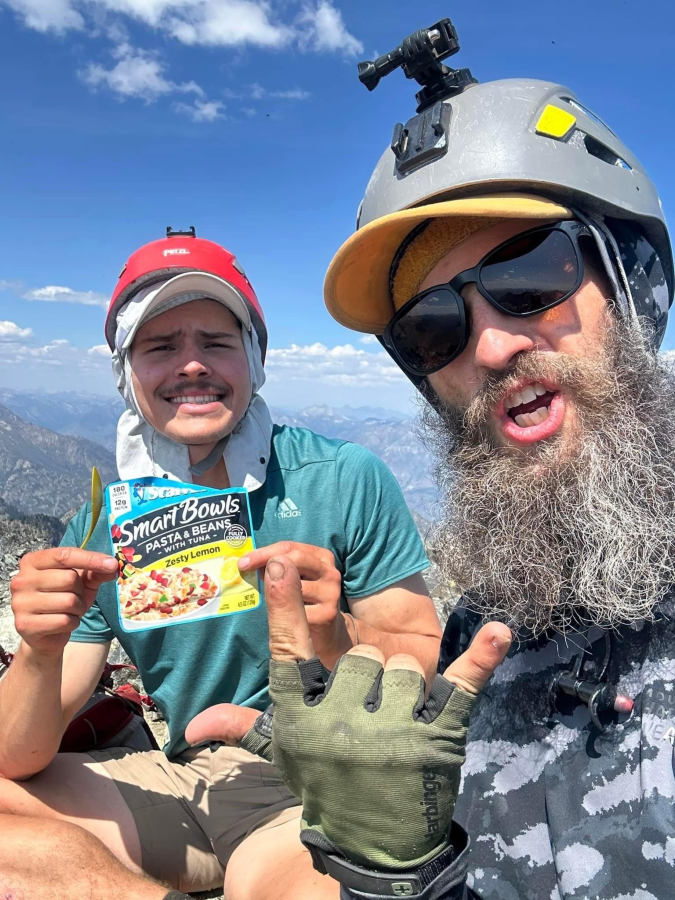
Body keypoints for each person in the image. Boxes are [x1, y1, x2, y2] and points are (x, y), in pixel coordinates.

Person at [190, 23, 675, 900]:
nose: (487, 347)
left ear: (633, 284)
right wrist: (383, 856)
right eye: (432, 327)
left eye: (530, 275)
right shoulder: (497, 610)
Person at [0, 230, 443, 900]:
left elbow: (424, 657)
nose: (191, 365)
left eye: (215, 342)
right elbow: (17, 758)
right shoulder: (103, 524)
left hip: (312, 780)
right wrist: (38, 649)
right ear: (127, 373)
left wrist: (335, 633)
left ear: (253, 358)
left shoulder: (343, 478)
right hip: (184, 778)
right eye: (159, 346)